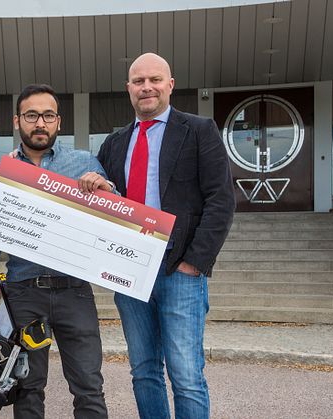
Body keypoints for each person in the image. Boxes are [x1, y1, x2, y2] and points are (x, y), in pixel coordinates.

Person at [79, 53, 235, 419]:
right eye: (138, 81)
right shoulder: (114, 144)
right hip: (129, 274)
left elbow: (221, 200)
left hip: (179, 271)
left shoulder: (199, 130)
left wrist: (194, 263)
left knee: (186, 375)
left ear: (170, 84)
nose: (146, 87)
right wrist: (95, 185)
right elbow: (108, 203)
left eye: (154, 80)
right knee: (144, 371)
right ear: (128, 89)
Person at [0, 84, 112, 419]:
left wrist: (107, 191)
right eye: (31, 115)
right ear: (17, 121)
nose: (40, 123)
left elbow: (112, 218)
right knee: (28, 389)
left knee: (89, 387)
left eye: (48, 115)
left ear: (58, 122)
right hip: (23, 293)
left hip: (74, 292)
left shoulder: (84, 163)